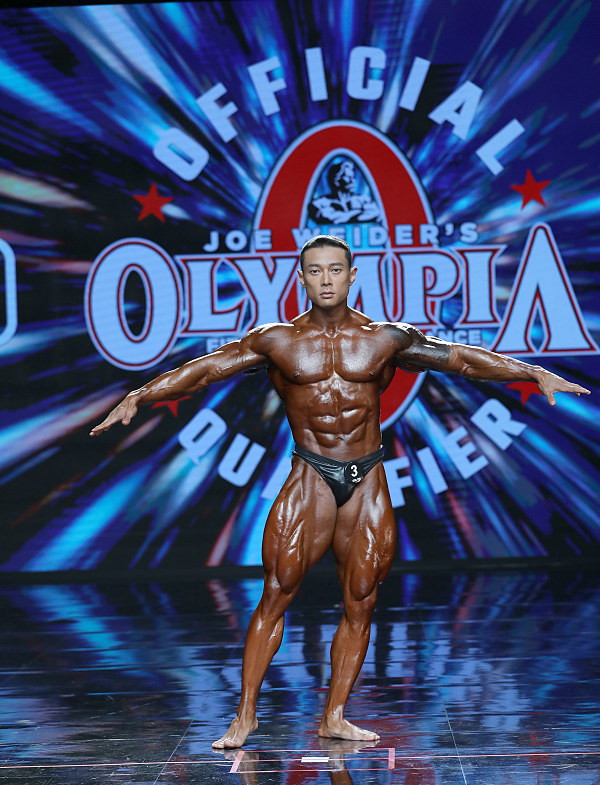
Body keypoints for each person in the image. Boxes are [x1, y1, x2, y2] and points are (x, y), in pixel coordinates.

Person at [90, 235, 590, 749]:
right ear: (301, 278)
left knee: (362, 600)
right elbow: (205, 370)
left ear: (352, 276)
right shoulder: (276, 340)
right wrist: (141, 394)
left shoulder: (386, 338)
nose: (325, 279)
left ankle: (334, 716)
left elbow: (461, 359)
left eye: (334, 270)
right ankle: (244, 716)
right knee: (277, 592)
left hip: (367, 477)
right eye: (315, 270)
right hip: (312, 473)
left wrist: (532, 373)